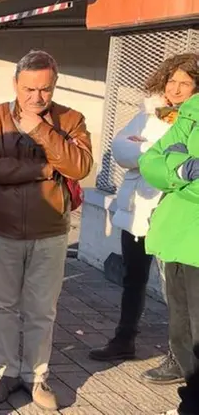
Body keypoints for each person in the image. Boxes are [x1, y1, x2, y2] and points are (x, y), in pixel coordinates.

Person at [0, 50, 93, 410]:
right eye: (29, 89)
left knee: (42, 310)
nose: (36, 97)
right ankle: (6, 372)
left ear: (54, 85)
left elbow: (80, 165)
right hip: (1, 228)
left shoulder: (71, 119)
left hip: (50, 231)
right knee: (3, 306)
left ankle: (36, 376)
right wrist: (43, 171)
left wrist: (40, 130)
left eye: (45, 89)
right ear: (15, 84)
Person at [89, 54, 199, 385]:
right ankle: (125, 339)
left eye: (185, 83)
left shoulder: (189, 120)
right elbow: (121, 150)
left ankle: (178, 356)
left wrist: (157, 157)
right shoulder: (149, 112)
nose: (176, 89)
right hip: (138, 213)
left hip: (174, 216)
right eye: (172, 81)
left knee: (175, 293)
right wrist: (156, 154)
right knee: (133, 280)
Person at [139, 91, 199, 392]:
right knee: (181, 327)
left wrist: (175, 172)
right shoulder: (192, 109)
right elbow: (150, 160)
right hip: (176, 235)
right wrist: (183, 168)